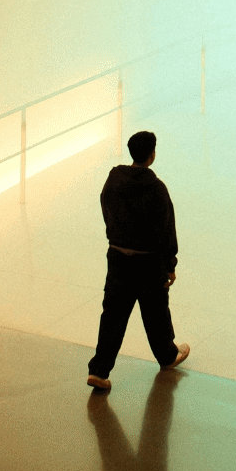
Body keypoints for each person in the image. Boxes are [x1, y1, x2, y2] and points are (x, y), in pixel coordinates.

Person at [87, 131, 189, 390]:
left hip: (118, 257)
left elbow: (106, 207)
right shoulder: (156, 188)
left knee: (113, 315)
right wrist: (170, 265)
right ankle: (167, 356)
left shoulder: (113, 180)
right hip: (148, 263)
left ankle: (99, 371)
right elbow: (166, 230)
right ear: (151, 155)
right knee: (155, 313)